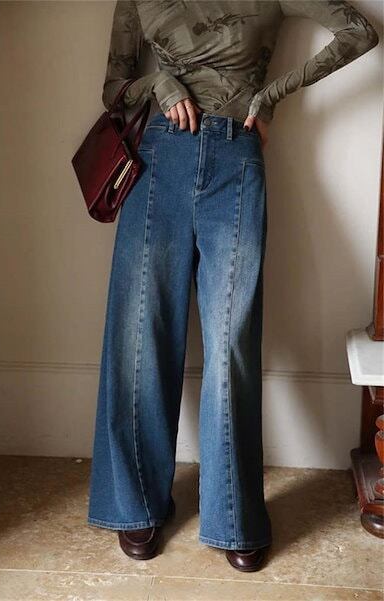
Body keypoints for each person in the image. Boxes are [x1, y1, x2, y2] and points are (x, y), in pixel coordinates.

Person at [87, 0, 379, 572]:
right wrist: (158, 82)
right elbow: (114, 86)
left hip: (235, 157)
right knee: (141, 335)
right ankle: (135, 504)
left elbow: (358, 31)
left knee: (231, 342)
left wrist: (270, 96)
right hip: (157, 158)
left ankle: (234, 515)